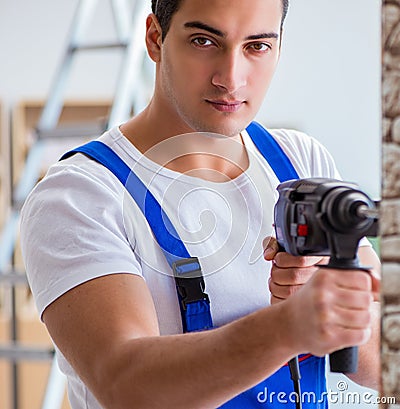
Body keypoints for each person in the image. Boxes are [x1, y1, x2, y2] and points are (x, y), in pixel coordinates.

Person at [20, 0, 381, 408]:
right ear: (155, 37)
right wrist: (288, 327)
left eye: (257, 46)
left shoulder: (300, 165)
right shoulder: (81, 195)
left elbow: (385, 367)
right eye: (204, 40)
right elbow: (126, 385)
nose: (231, 78)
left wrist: (339, 310)